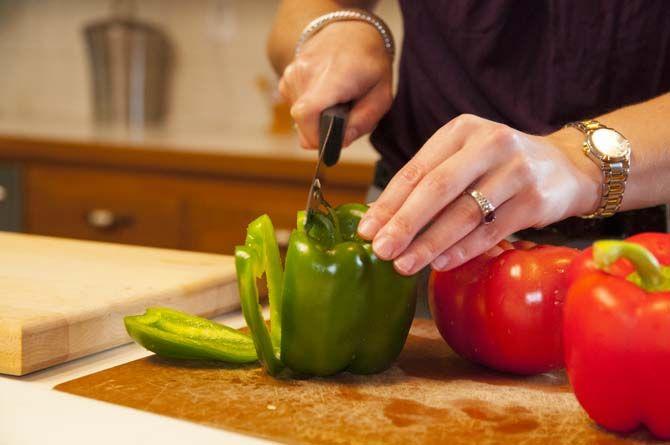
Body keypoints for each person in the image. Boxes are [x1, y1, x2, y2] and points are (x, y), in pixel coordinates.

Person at [268, 1, 670, 277]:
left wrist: (580, 161)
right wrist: (330, 29)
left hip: (640, 252)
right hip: (412, 232)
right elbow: (303, 10)